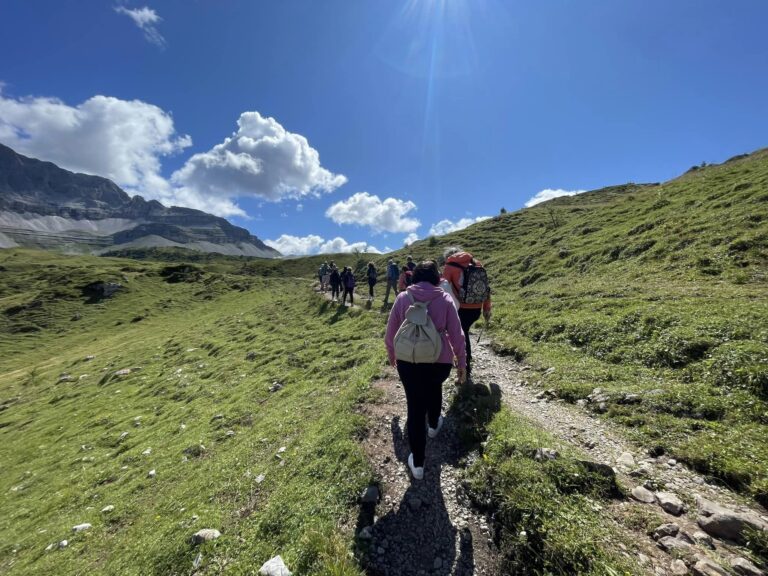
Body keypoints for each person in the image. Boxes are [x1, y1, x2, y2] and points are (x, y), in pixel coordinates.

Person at [384, 260, 467, 480]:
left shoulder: (403, 298)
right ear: (436, 278)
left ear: (414, 277)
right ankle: (433, 425)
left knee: (414, 406)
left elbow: (390, 332)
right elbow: (457, 336)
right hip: (439, 362)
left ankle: (418, 464)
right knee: (434, 388)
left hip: (408, 362)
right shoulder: (445, 299)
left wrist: (393, 356)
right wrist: (461, 363)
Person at [442, 247, 492, 380]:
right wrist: (487, 308)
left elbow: (443, 288)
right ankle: (465, 361)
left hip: (461, 308)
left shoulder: (449, 266)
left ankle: (465, 366)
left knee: (461, 335)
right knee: (464, 331)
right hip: (477, 307)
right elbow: (486, 288)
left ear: (448, 256)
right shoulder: (476, 263)